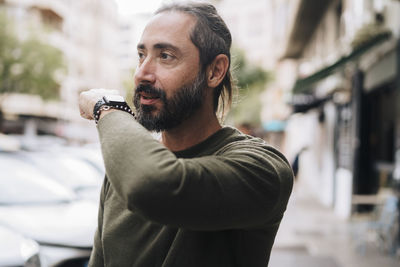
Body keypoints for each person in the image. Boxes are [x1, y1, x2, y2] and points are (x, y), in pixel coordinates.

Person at [79, 2, 293, 267]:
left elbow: (151, 185)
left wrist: (108, 109)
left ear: (214, 71)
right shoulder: (123, 168)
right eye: (141, 55)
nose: (141, 74)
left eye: (165, 56)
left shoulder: (263, 169)